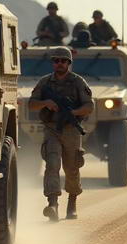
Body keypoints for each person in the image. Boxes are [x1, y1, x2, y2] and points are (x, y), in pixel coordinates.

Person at [28, 47, 94, 221]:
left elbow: (89, 106)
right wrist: (46, 103)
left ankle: (72, 203)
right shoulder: (45, 82)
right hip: (51, 129)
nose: (59, 64)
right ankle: (52, 204)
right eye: (56, 60)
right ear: (53, 63)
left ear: (69, 63)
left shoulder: (78, 82)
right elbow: (31, 104)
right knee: (52, 164)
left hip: (71, 130)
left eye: (63, 61)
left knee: (72, 167)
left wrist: (73, 113)